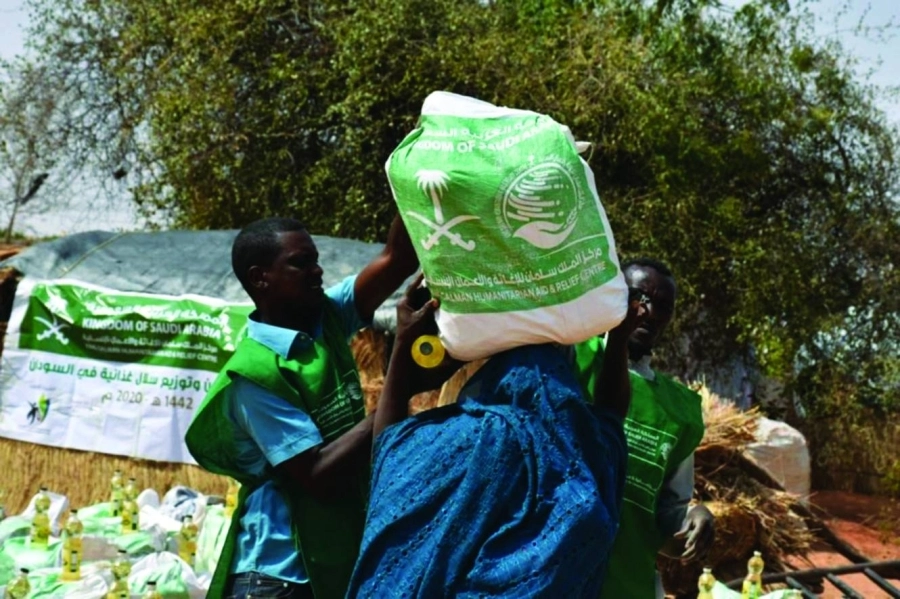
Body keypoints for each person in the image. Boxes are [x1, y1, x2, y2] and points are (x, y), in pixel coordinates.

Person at [345, 275, 646, 598]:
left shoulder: (457, 442)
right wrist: (618, 341)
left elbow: (390, 451)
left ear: (485, 378)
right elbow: (612, 418)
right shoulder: (584, 456)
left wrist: (404, 346)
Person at [185, 216, 418, 599]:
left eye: (316, 259)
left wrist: (414, 172)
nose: (317, 270)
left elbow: (397, 259)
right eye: (301, 262)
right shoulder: (255, 374)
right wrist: (398, 390)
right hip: (280, 576)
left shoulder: (326, 318)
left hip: (325, 561)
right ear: (261, 278)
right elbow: (317, 475)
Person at [574, 257, 715, 599]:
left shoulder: (677, 410)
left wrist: (693, 517)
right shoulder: (571, 357)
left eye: (663, 306)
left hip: (627, 586)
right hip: (552, 577)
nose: (648, 312)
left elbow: (665, 517)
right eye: (639, 297)